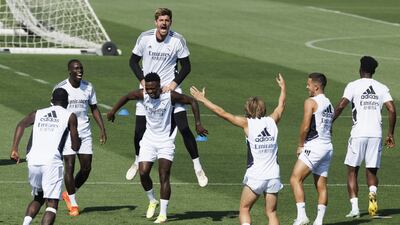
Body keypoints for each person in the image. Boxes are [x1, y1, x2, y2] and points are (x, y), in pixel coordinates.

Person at [107, 73, 207, 223]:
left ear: (159, 86)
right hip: (148, 140)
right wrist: (113, 110)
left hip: (166, 141)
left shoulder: (170, 96)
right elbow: (127, 96)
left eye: (153, 88)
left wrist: (198, 123)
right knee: (143, 172)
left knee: (163, 175)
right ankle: (152, 200)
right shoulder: (143, 94)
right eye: (148, 88)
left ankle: (163, 214)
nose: (150, 91)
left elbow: (192, 101)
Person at [190, 74, 286, 225]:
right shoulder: (273, 120)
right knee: (271, 213)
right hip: (274, 174)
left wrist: (202, 99)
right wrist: (283, 88)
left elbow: (222, 113)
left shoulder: (246, 123)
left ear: (248, 109)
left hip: (256, 175)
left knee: (244, 208)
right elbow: (281, 105)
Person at [128, 8, 208, 187]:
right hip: (148, 89)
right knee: (139, 130)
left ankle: (197, 167)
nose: (164, 23)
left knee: (184, 127)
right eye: (161, 20)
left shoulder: (177, 40)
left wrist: (172, 84)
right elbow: (133, 61)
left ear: (170, 22)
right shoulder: (144, 38)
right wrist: (142, 81)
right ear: (156, 22)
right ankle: (136, 160)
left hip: (169, 89)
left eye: (167, 20)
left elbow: (186, 66)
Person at [333, 56, 396, 218]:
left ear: (360, 69)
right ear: (373, 71)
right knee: (372, 171)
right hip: (376, 134)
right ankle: (372, 200)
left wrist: (329, 123)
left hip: (358, 133)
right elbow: (392, 109)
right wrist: (390, 133)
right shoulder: (381, 87)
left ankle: (354, 208)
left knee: (352, 170)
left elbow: (341, 105)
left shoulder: (353, 85)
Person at [10, 88, 80, 225]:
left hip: (33, 160)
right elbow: (75, 146)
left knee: (38, 197)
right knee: (52, 203)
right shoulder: (70, 116)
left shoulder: (38, 113)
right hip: (51, 162)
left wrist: (14, 149)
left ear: (52, 101)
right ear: (67, 102)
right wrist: (78, 142)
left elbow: (21, 125)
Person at [54, 59, 107, 216]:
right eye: (76, 68)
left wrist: (102, 129)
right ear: (69, 71)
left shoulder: (88, 87)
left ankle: (69, 194)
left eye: (81, 68)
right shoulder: (60, 88)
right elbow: (56, 111)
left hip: (84, 130)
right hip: (67, 132)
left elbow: (94, 108)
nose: (80, 71)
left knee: (86, 168)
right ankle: (74, 203)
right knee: (69, 165)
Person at [290, 73, 334, 225]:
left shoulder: (311, 102)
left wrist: (301, 145)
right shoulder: (329, 104)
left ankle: (302, 216)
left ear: (316, 86)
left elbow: (305, 126)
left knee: (295, 178)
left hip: (314, 146)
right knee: (321, 185)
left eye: (309, 84)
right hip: (327, 146)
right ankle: (319, 221)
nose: (306, 86)